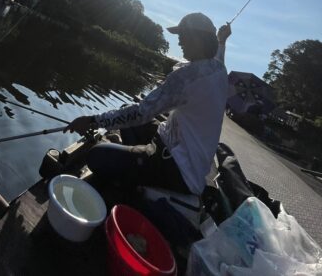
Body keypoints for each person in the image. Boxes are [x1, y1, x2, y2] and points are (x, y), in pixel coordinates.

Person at [64, 13, 231, 195]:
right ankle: (132, 161)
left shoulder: (187, 76)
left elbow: (140, 113)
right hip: (183, 158)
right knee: (127, 122)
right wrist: (221, 41)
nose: (180, 42)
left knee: (96, 155)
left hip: (175, 168)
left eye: (183, 36)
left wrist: (92, 120)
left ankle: (132, 183)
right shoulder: (220, 71)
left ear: (198, 40)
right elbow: (218, 57)